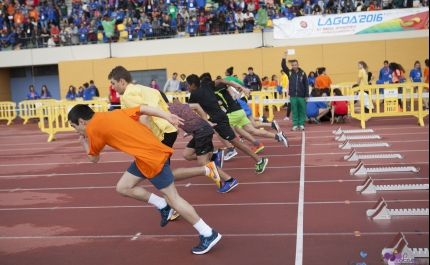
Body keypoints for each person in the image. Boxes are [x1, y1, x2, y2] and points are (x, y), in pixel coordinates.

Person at [67, 104, 222, 255]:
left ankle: (208, 233)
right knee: (124, 187)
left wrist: (84, 144)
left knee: (173, 198)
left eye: (75, 126)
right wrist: (166, 115)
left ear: (82, 121)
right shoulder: (112, 113)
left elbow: (94, 159)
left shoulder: (93, 129)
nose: (76, 131)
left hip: (150, 158)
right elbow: (142, 108)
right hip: (146, 155)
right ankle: (163, 206)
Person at [187, 74, 269, 174]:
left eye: (188, 85)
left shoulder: (194, 94)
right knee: (205, 133)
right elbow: (221, 80)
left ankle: (259, 160)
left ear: (192, 85)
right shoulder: (207, 86)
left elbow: (190, 109)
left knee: (235, 142)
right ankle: (216, 154)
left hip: (219, 119)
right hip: (216, 119)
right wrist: (236, 85)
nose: (187, 87)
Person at [201, 73, 288, 153]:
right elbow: (230, 83)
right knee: (251, 130)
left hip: (233, 112)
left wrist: (241, 89)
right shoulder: (220, 87)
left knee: (217, 128)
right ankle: (278, 136)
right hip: (239, 110)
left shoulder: (214, 90)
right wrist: (241, 88)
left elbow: (229, 83)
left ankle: (230, 149)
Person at [165, 97, 238, 193]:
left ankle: (229, 180)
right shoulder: (178, 105)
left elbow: (175, 130)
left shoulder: (165, 111)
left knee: (203, 163)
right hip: (199, 131)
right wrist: (205, 121)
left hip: (201, 132)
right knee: (187, 154)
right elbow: (196, 106)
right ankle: (215, 155)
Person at [281, 50, 309, 131]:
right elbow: (283, 65)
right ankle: (296, 124)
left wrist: (306, 94)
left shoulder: (303, 73)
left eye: (295, 65)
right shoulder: (289, 73)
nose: (294, 66)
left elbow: (306, 84)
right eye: (293, 65)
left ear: (298, 65)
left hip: (301, 95)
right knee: (294, 111)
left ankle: (301, 124)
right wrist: (284, 56)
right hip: (293, 95)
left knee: (302, 110)